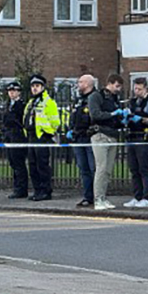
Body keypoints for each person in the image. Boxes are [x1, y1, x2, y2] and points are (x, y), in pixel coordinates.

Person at [89, 73, 127, 211]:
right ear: (110, 83)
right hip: (100, 134)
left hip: (112, 135)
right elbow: (95, 114)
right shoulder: (96, 96)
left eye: (120, 87)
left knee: (108, 170)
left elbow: (115, 120)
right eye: (116, 86)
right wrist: (112, 114)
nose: (118, 89)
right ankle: (98, 198)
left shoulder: (115, 99)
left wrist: (122, 120)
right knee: (101, 167)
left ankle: (103, 197)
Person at [22, 75, 57, 201]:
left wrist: (48, 132)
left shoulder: (48, 102)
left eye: (37, 86)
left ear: (42, 87)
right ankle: (37, 190)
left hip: (42, 136)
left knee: (42, 165)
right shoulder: (31, 102)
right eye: (33, 86)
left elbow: (55, 121)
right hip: (31, 136)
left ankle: (45, 191)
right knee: (32, 165)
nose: (34, 89)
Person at [124, 77, 148, 208]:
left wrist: (140, 119)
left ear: (145, 88)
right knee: (134, 168)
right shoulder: (132, 102)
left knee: (143, 168)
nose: (137, 91)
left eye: (139, 89)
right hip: (131, 137)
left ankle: (146, 197)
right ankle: (137, 196)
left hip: (143, 137)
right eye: (135, 89)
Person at [67, 74, 98, 208]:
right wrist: (70, 129)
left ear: (87, 84)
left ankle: (98, 196)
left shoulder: (95, 98)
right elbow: (73, 117)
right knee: (83, 169)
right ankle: (87, 196)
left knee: (94, 169)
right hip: (78, 138)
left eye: (80, 82)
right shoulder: (79, 100)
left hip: (90, 138)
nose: (78, 85)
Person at [2, 81, 28, 199]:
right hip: (9, 136)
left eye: (14, 91)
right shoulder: (8, 105)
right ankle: (17, 187)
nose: (11, 93)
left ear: (19, 92)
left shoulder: (21, 105)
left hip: (18, 136)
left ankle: (21, 189)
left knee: (19, 163)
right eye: (10, 91)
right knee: (12, 162)